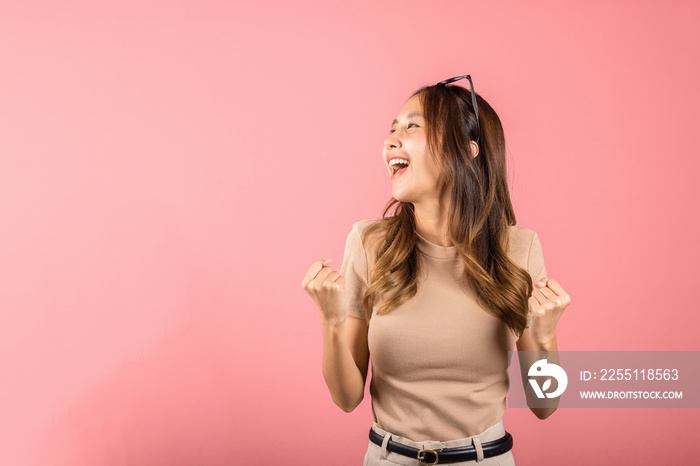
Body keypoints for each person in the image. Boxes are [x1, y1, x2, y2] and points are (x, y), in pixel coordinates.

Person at [302, 75, 571, 465]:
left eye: (412, 126)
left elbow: (545, 405)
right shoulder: (368, 243)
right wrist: (331, 320)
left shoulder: (519, 249)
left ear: (466, 149)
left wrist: (545, 337)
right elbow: (346, 398)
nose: (390, 140)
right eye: (391, 128)